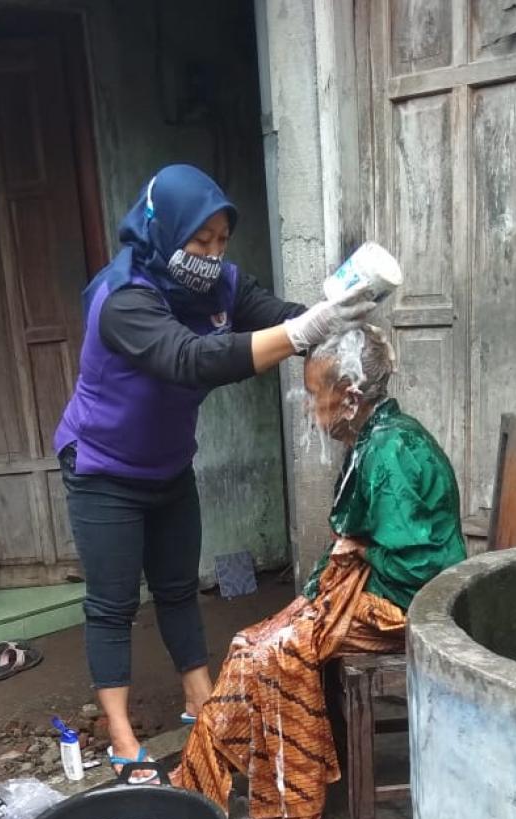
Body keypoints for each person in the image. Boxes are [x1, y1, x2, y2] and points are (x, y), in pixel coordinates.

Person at [54, 163, 375, 782]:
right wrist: (299, 331)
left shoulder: (220, 285)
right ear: (162, 229)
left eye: (222, 241)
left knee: (178, 587)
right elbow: (190, 359)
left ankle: (199, 698)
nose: (213, 255)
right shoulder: (122, 298)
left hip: (169, 462)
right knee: (113, 603)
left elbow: (277, 315)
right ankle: (121, 734)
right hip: (103, 467)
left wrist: (336, 319)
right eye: (200, 242)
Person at [172, 324, 467, 819]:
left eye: (315, 397)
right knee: (250, 642)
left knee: (280, 652)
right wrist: (331, 578)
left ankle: (295, 809)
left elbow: (412, 566)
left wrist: (350, 561)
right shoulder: (374, 438)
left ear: (350, 397)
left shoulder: (390, 452)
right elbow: (363, 542)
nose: (311, 410)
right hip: (383, 586)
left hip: (411, 604)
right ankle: (197, 786)